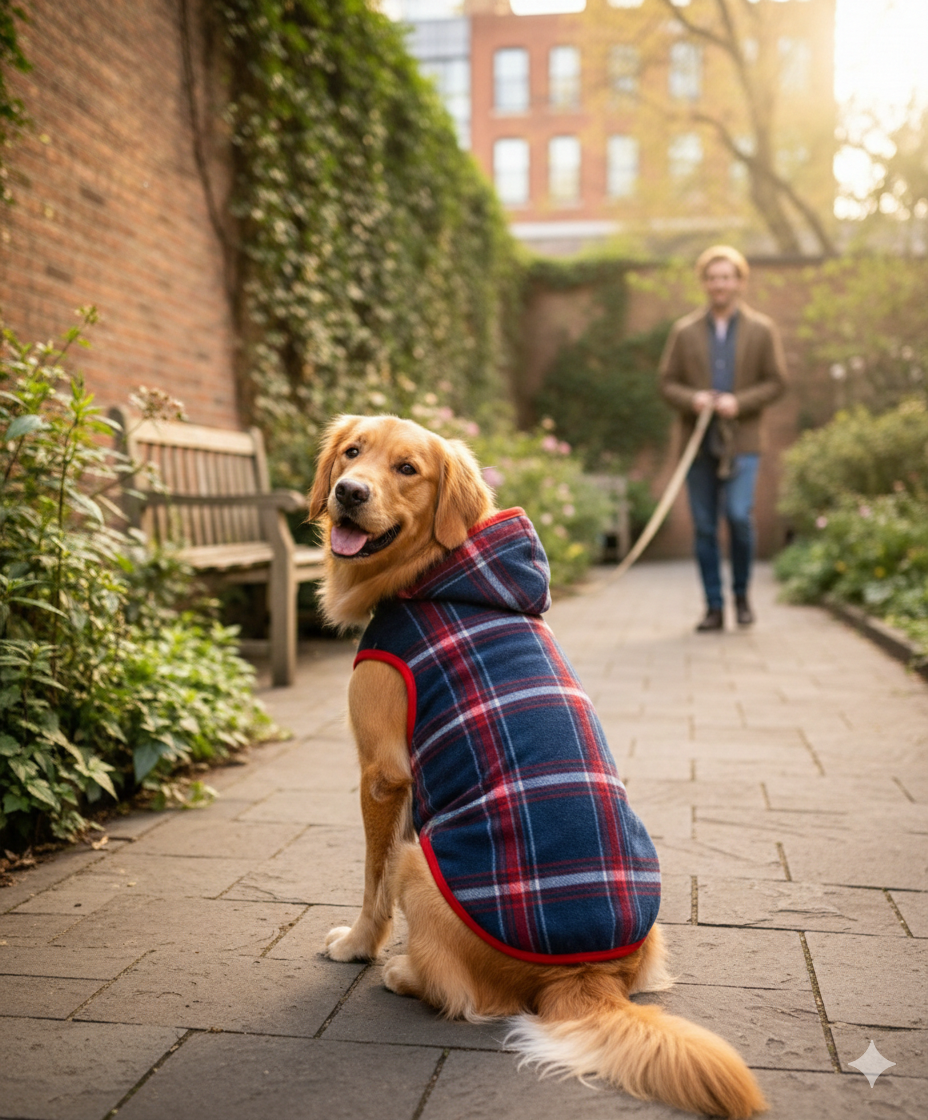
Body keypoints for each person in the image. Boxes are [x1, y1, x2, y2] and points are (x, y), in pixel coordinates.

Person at [659, 246, 787, 632]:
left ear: (740, 281)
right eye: (713, 277)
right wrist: (694, 399)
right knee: (704, 527)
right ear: (705, 282)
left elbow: (777, 381)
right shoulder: (683, 331)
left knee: (737, 516)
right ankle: (714, 606)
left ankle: (742, 595)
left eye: (726, 277)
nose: (719, 284)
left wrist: (739, 402)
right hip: (697, 445)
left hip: (743, 443)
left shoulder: (762, 329)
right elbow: (666, 383)